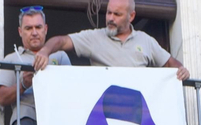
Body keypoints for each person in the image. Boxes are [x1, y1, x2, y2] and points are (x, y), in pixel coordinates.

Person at [0, 5, 68, 125]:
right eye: (29, 28)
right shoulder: (12, 58)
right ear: (20, 32)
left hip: (54, 119)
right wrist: (24, 84)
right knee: (23, 118)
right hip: (26, 118)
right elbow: (2, 97)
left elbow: (71, 91)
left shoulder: (59, 56)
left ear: (46, 29)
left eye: (38, 27)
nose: (34, 32)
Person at [34, 0, 190, 79]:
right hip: (104, 110)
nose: (110, 18)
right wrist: (45, 51)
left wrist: (182, 70)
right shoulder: (94, 37)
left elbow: (171, 63)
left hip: (137, 110)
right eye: (109, 13)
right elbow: (61, 41)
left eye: (117, 14)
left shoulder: (146, 40)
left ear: (132, 16)